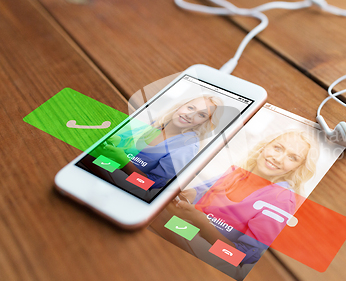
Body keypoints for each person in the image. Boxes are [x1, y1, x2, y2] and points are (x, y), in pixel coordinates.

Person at [168, 130, 319, 265]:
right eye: (277, 148)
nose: (278, 158)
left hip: (204, 252)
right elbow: (197, 193)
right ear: (264, 147)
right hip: (186, 231)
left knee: (161, 220)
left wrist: (201, 221)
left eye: (292, 158)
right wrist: (182, 195)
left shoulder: (282, 200)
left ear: (298, 168)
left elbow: (238, 257)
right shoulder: (239, 172)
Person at [93, 94, 223, 189]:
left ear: (205, 123)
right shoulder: (159, 124)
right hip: (106, 171)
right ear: (180, 106)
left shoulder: (186, 148)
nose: (190, 115)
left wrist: (124, 163)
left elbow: (148, 185)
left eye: (201, 115)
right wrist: (118, 141)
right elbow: (126, 142)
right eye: (190, 108)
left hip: (122, 187)